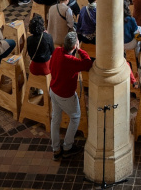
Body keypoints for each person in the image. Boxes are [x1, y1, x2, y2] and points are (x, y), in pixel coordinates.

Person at [48, 31, 93, 160]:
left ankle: (56, 149)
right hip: (65, 95)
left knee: (55, 119)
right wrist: (80, 50)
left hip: (53, 90)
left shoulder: (57, 51)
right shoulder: (71, 60)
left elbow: (51, 66)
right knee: (75, 117)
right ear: (74, 46)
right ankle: (68, 147)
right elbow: (88, 64)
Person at [27, 13, 55, 79]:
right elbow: (52, 52)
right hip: (46, 68)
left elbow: (30, 54)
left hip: (34, 68)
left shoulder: (29, 39)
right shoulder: (48, 37)